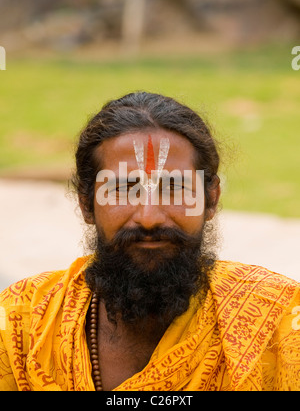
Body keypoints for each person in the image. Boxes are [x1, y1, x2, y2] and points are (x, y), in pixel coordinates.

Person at [0, 92, 299, 391]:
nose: (149, 217)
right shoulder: (20, 326)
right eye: (123, 189)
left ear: (211, 199)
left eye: (174, 188)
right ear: (87, 204)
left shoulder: (281, 323)